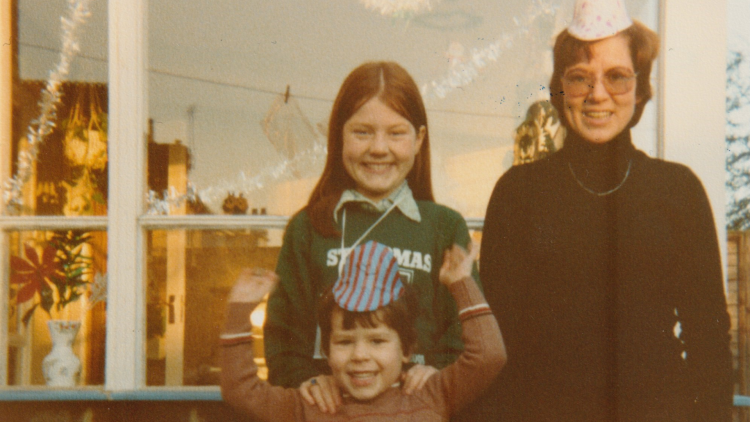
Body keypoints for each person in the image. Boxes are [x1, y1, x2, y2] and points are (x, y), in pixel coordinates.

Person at [476, 0, 733, 421]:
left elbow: (709, 336)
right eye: (580, 78)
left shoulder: (677, 191)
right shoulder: (518, 194)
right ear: (560, 89)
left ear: (641, 87)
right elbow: (498, 342)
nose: (598, 94)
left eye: (617, 77)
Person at [263, 61, 478, 411]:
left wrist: (438, 371)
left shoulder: (444, 227)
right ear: (338, 137)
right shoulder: (308, 228)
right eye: (362, 132)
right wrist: (305, 379)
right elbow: (282, 335)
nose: (379, 148)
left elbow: (466, 331)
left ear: (419, 139)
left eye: (396, 133)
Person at [221, 241, 505, 421]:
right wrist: (239, 309)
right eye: (344, 342)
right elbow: (241, 391)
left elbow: (489, 356)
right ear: (327, 352)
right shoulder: (309, 404)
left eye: (377, 340)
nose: (359, 355)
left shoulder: (431, 393)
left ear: (407, 349)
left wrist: (461, 283)